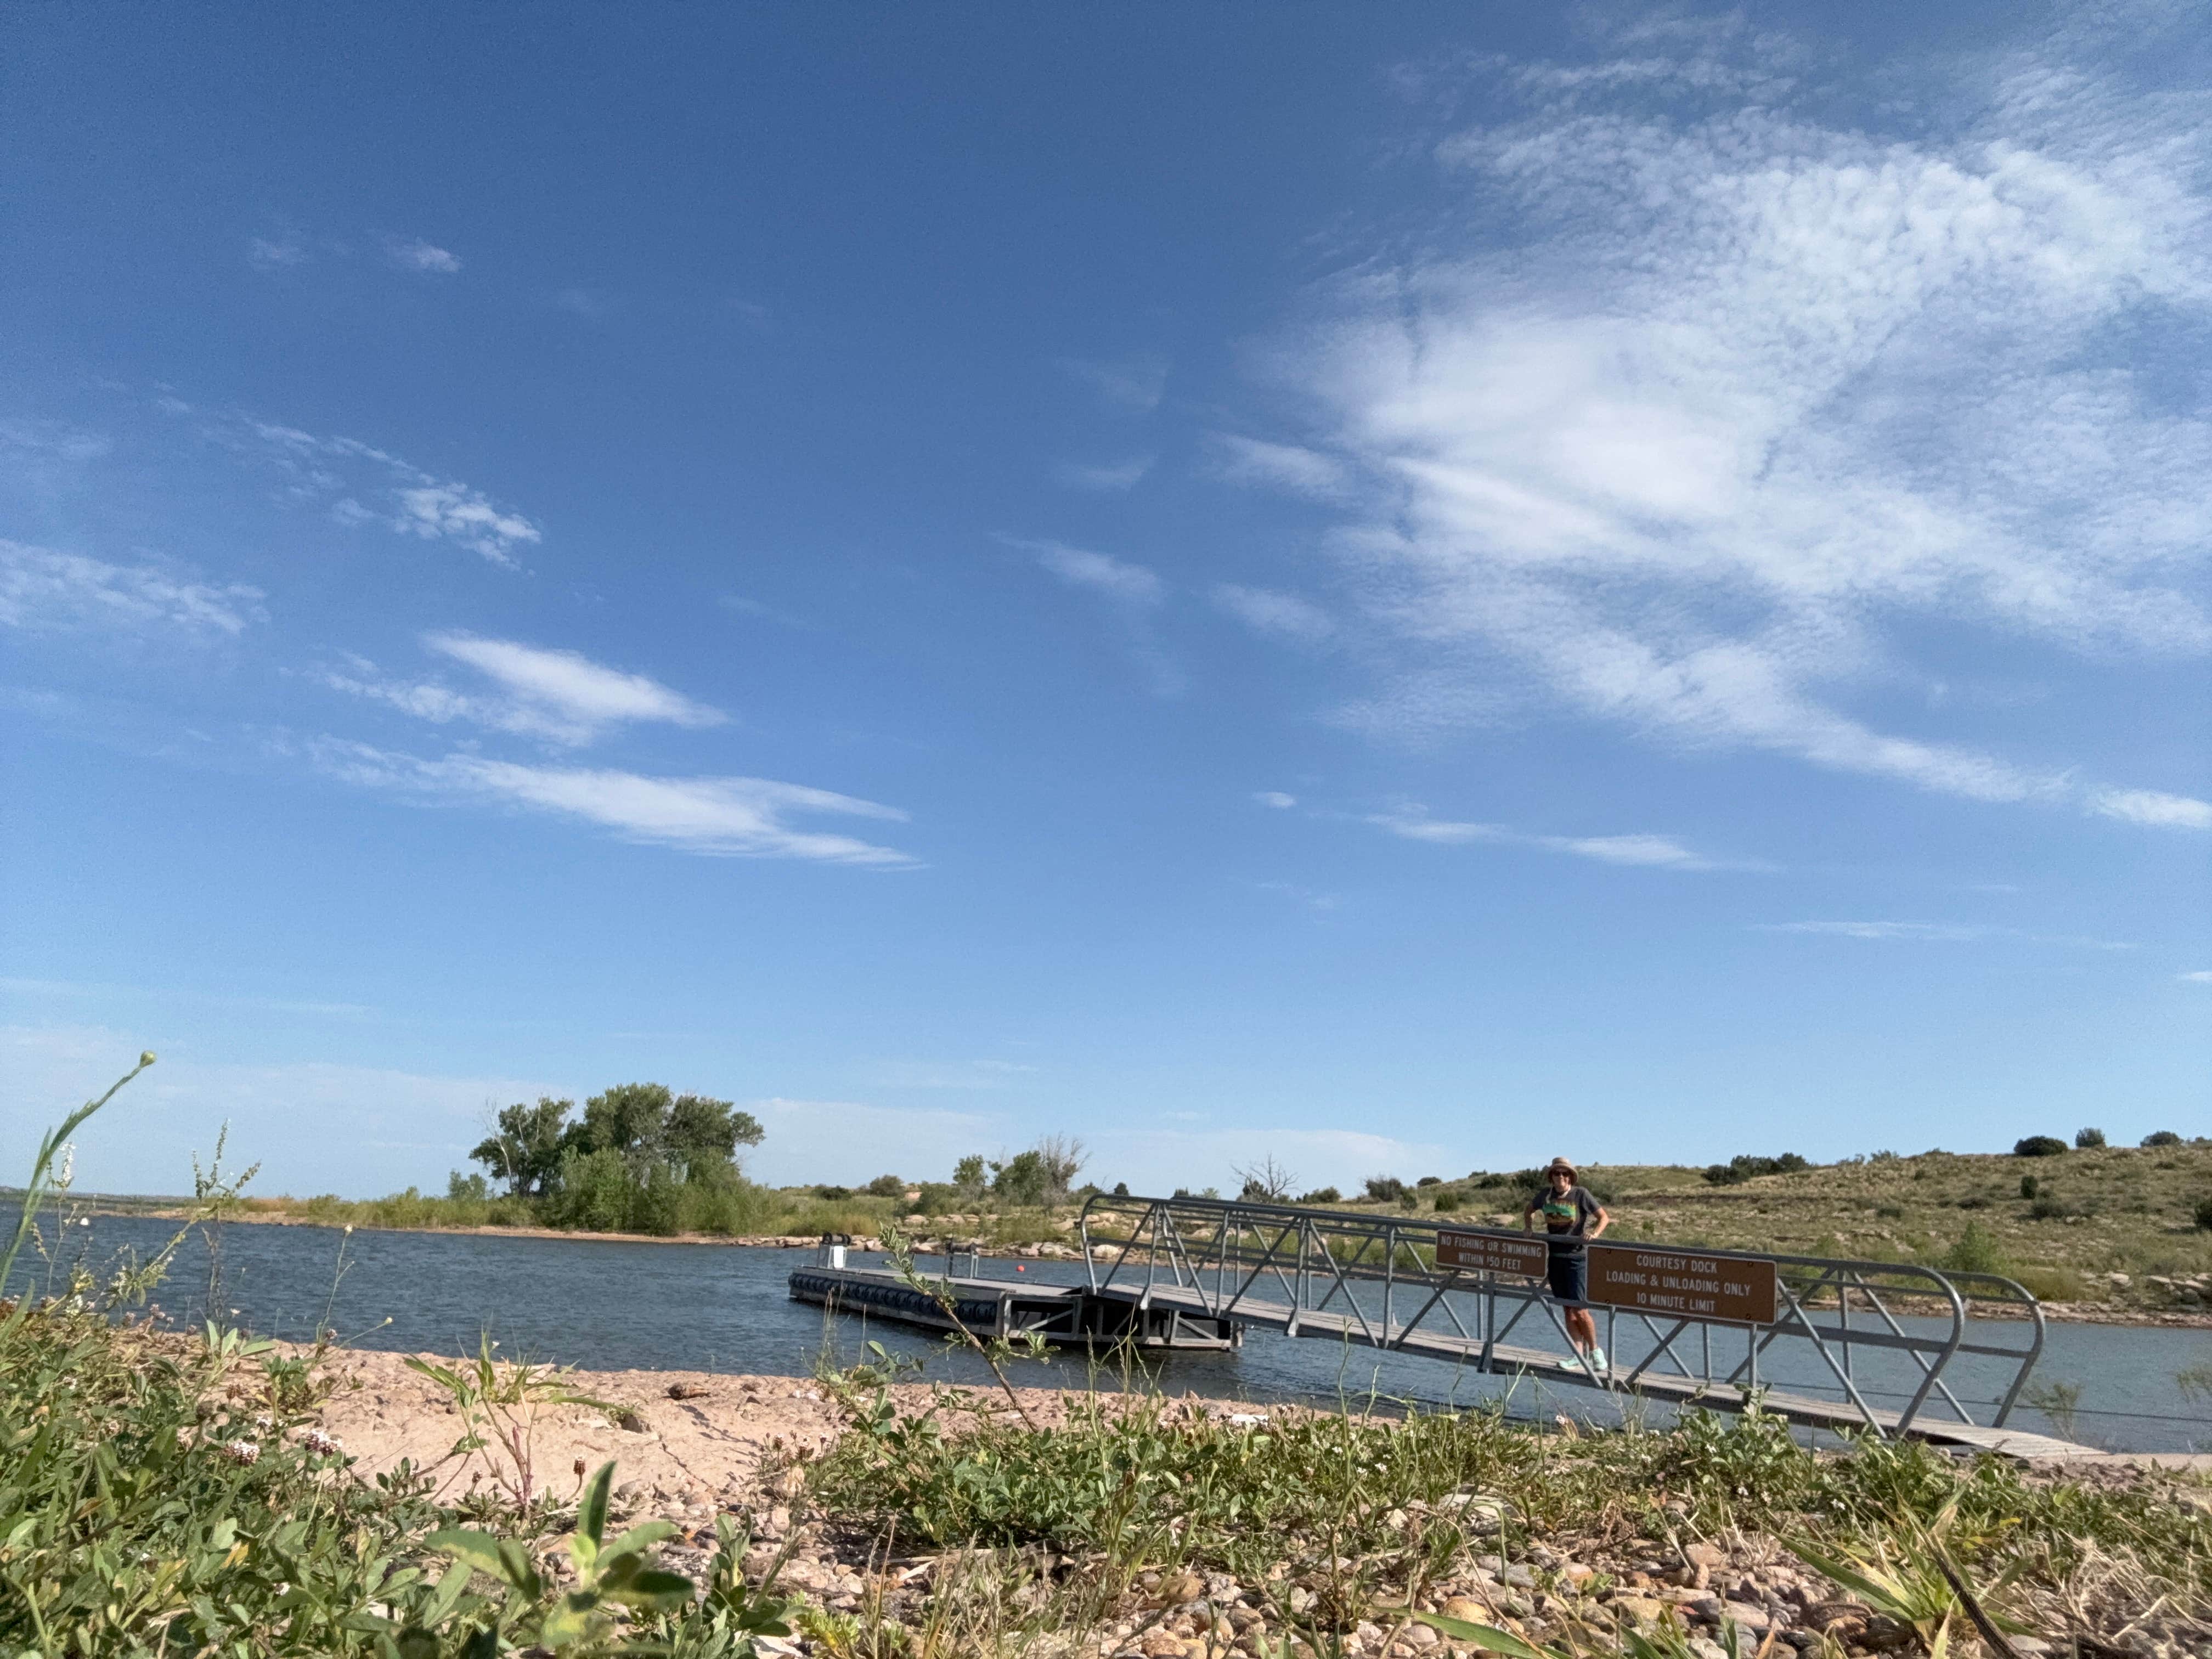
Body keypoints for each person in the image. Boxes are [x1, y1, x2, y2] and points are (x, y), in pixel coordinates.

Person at [1522, 1156, 1610, 1375]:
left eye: (1565, 1173)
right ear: (1551, 1176)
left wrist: (1594, 1234)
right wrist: (1528, 1228)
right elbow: (1529, 1209)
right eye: (1557, 1173)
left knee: (1580, 1309)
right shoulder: (1546, 1195)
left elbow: (1603, 1217)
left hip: (1576, 1258)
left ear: (1570, 1177)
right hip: (1555, 1257)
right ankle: (1578, 1355)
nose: (1561, 1176)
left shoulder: (1581, 1194)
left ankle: (1596, 1352)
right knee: (1567, 1309)